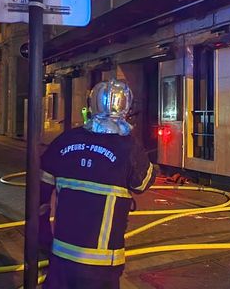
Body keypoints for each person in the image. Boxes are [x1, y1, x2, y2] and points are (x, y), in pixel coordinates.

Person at [39, 78, 156, 288]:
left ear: (91, 104)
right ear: (126, 106)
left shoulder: (65, 140)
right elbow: (142, 183)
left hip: (61, 255)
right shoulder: (129, 147)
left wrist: (43, 233)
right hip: (100, 263)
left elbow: (40, 193)